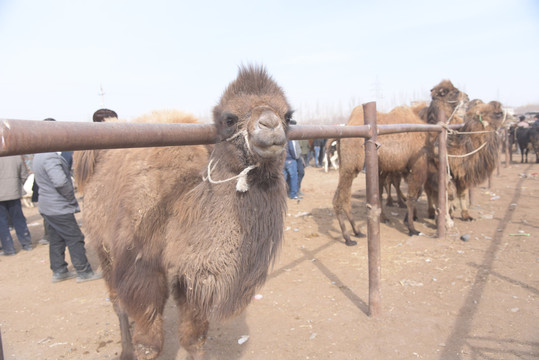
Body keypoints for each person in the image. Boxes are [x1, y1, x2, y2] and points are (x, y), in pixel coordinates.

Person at [33, 145, 102, 283]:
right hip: (58, 206)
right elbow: (60, 182)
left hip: (47, 205)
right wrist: (70, 198)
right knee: (75, 238)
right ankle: (84, 272)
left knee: (56, 239)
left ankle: (59, 270)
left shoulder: (39, 155)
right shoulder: (50, 158)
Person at [0, 156, 33, 255]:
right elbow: (24, 176)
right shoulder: (15, 157)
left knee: (2, 223)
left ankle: (9, 249)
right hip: (14, 192)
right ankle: (26, 243)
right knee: (19, 219)